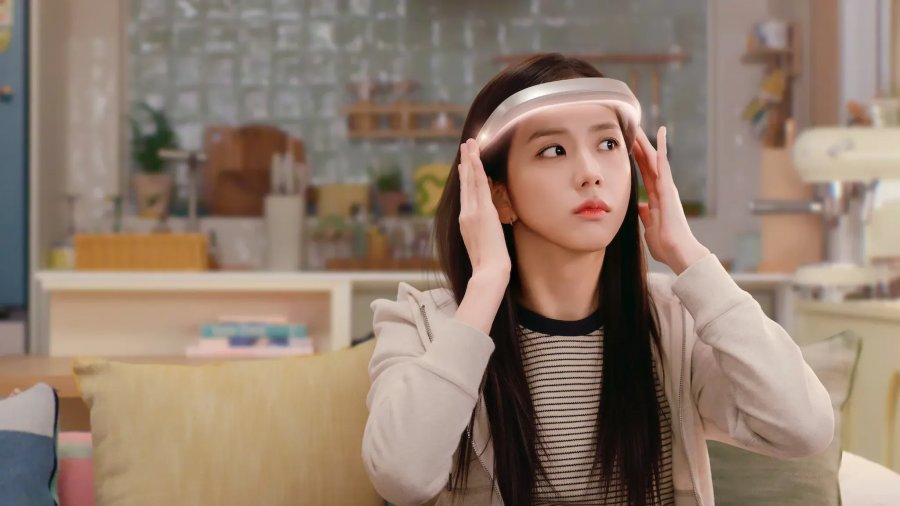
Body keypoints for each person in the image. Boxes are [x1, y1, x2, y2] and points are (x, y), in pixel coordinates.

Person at [362, 53, 833, 506]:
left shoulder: (675, 323)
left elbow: (804, 429)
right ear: (497, 195)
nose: (590, 173)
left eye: (607, 145)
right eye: (553, 150)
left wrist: (690, 256)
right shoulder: (421, 325)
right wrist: (486, 284)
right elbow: (403, 478)